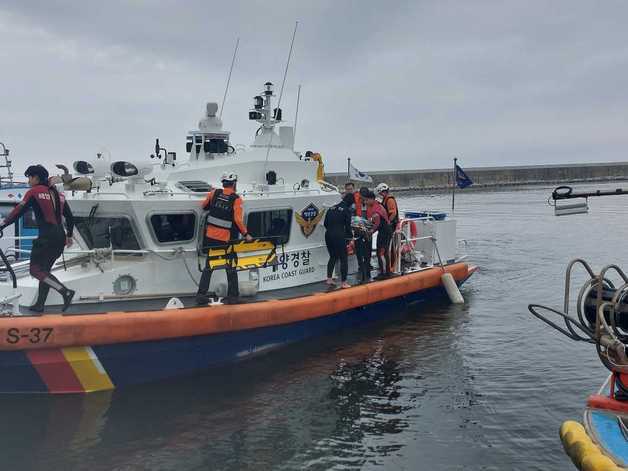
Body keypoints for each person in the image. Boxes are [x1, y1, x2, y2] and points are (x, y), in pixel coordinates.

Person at [0, 165, 75, 312]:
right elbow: (70, 218)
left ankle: (65, 292)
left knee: (35, 271)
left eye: (29, 177)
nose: (28, 180)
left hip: (46, 238)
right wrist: (70, 236)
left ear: (36, 177)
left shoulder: (34, 192)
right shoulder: (58, 195)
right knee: (44, 271)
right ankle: (40, 304)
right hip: (60, 237)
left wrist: (2, 225)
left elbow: (18, 212)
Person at [196, 172, 253, 305]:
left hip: (210, 237)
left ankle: (201, 294)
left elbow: (203, 206)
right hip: (226, 240)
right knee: (231, 266)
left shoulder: (214, 193)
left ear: (223, 183)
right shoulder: (236, 199)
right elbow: (238, 220)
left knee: (209, 266)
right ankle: (233, 296)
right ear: (234, 184)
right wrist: (246, 234)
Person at [323, 193, 354, 289]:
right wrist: (350, 238)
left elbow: (325, 223)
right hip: (339, 235)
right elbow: (348, 227)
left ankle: (329, 279)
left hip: (328, 235)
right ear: (350, 203)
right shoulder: (347, 210)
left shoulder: (331, 208)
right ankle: (344, 282)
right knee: (343, 258)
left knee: (332, 256)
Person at [365, 190, 392, 279]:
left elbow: (376, 224)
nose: (365, 202)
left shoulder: (376, 209)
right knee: (384, 252)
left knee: (380, 252)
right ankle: (386, 272)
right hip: (385, 230)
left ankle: (384, 273)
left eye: (367, 200)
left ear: (372, 199)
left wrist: (370, 232)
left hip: (385, 231)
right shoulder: (377, 205)